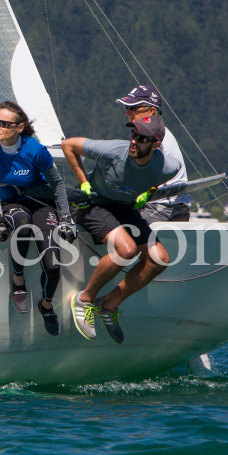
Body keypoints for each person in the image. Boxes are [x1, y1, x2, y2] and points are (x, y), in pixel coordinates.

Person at [0, 101, 76, 336]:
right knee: (22, 226)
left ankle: (46, 305)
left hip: (40, 203)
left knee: (53, 263)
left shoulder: (35, 149)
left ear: (19, 127)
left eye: (4, 123)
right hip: (10, 202)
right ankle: (18, 279)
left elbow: (58, 184)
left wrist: (65, 218)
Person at [60, 115, 180, 343]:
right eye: (133, 135)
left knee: (160, 259)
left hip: (124, 208)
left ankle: (109, 304)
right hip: (92, 203)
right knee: (127, 250)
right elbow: (68, 145)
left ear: (156, 143)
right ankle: (85, 299)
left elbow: (168, 175)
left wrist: (149, 192)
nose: (134, 141)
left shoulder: (168, 166)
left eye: (142, 138)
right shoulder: (113, 151)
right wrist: (83, 182)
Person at [116, 85, 192, 222]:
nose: (127, 112)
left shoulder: (152, 137)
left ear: (151, 111)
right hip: (170, 205)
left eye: (133, 108)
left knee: (117, 229)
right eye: (126, 107)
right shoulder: (156, 132)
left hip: (163, 206)